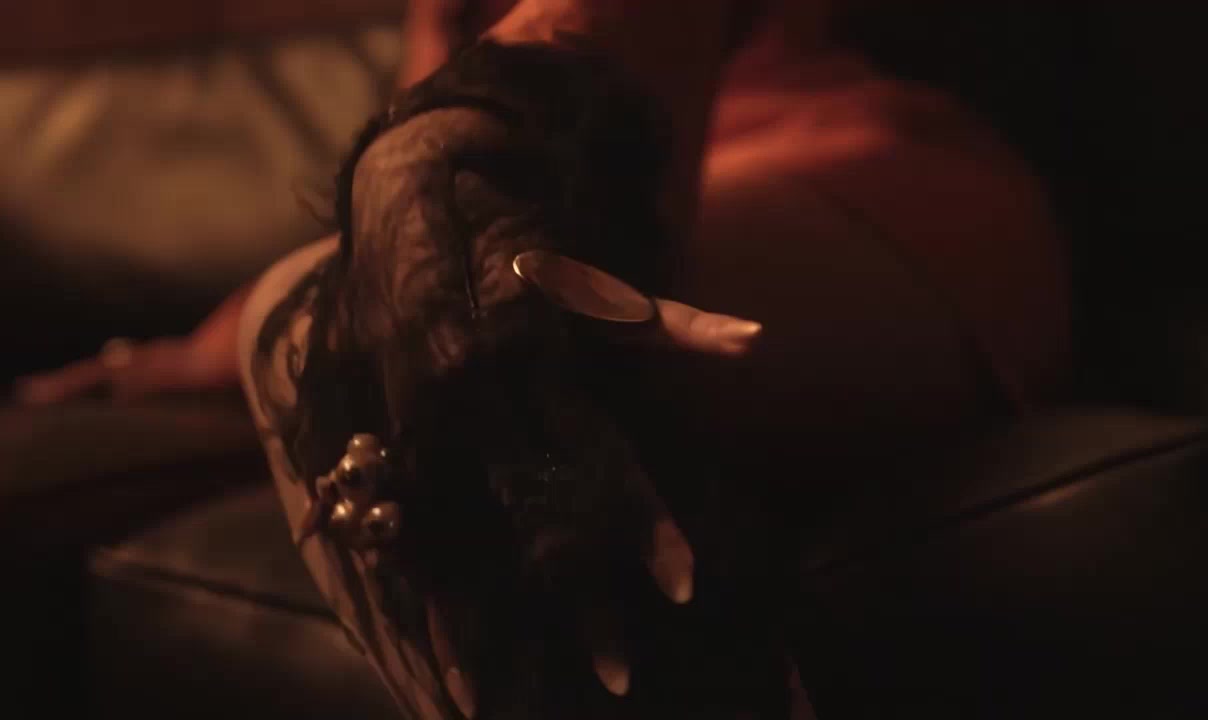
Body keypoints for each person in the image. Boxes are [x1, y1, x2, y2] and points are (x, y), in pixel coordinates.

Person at [17, 1, 1071, 717]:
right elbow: (412, 176)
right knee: (331, 321)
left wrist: (483, 137)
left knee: (468, 302)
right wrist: (201, 344)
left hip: (860, 192)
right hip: (581, 194)